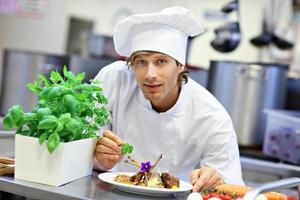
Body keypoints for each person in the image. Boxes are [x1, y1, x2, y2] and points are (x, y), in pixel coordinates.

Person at [93, 6, 244, 192]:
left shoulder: (212, 117)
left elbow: (231, 188)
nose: (150, 74)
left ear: (180, 65)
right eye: (141, 62)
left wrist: (215, 181)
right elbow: (81, 153)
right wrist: (99, 158)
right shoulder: (113, 80)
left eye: (161, 61)